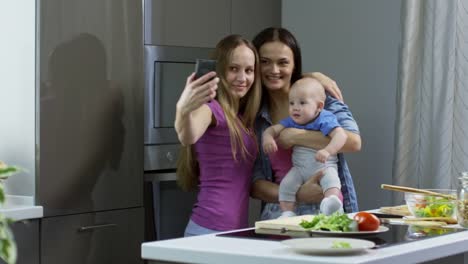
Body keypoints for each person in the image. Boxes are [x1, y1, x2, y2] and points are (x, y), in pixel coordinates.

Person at [251, 27, 362, 220]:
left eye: (283, 62)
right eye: (265, 62)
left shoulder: (320, 99)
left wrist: (296, 136)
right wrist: (298, 195)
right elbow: (254, 184)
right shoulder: (254, 115)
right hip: (279, 214)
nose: (274, 70)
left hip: (326, 212)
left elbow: (353, 142)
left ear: (295, 65)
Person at [175, 34, 262, 236]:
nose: (242, 78)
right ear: (219, 70)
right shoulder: (212, 109)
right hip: (208, 230)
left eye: (249, 70)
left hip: (231, 231)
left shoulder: (240, 117)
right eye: (234, 69)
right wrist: (183, 109)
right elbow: (187, 136)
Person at [262, 77, 348, 217]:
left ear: (319, 107)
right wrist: (268, 138)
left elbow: (341, 136)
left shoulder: (324, 119)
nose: (295, 107)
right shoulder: (292, 121)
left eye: (302, 103)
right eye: (291, 103)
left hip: (324, 166)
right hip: (300, 169)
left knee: (331, 181)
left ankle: (332, 205)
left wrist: (328, 150)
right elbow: (272, 130)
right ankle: (288, 212)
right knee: (286, 186)